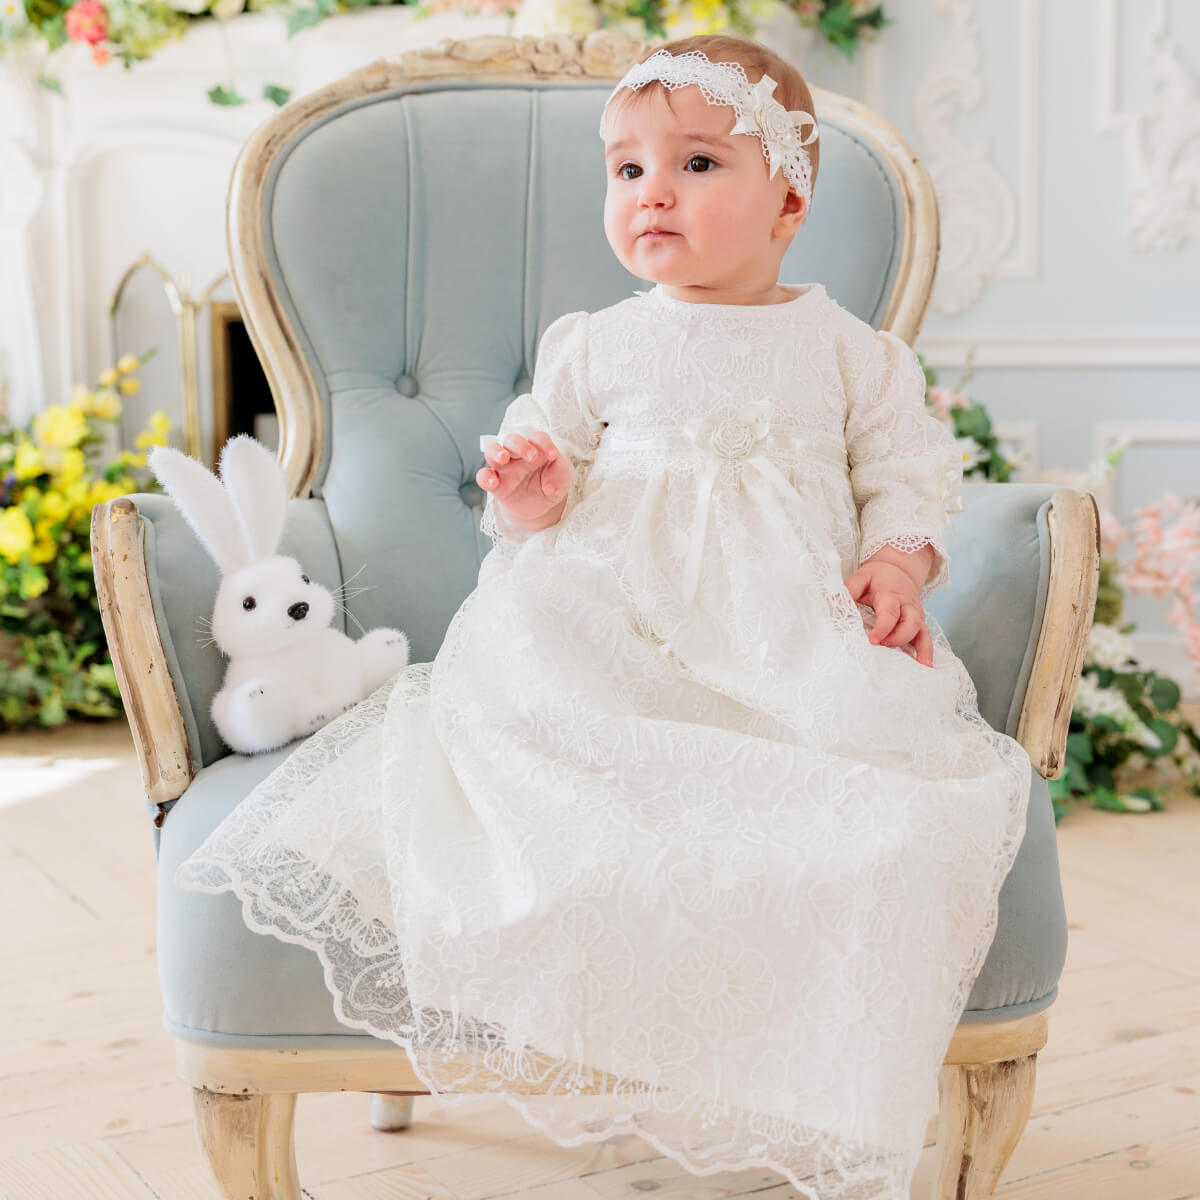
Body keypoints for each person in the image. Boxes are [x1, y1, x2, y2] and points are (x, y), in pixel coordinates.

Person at [177, 34, 1032, 1200]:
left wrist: (895, 558)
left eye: (693, 164)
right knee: (541, 691)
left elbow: (912, 469)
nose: (652, 193)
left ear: (787, 199)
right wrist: (536, 495)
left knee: (872, 803)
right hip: (614, 618)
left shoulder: (847, 351)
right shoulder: (599, 343)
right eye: (626, 171)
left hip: (783, 641)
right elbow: (543, 476)